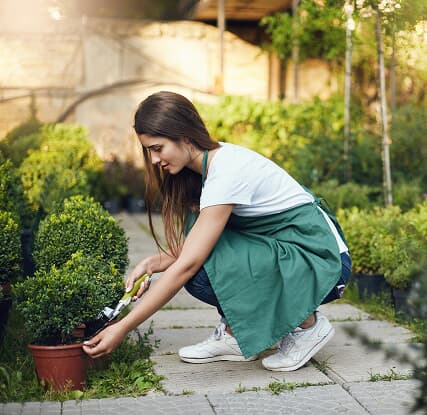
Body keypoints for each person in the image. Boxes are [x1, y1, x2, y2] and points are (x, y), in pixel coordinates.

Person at [83, 91, 352, 372]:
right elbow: (197, 242)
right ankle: (238, 335)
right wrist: (153, 263)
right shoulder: (205, 168)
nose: (153, 160)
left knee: (199, 272)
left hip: (325, 262)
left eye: (158, 148)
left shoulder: (226, 172)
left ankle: (307, 326)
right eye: (149, 150)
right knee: (202, 260)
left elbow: (189, 263)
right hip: (293, 253)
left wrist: (123, 327)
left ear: (185, 136)